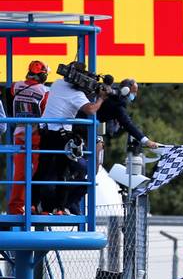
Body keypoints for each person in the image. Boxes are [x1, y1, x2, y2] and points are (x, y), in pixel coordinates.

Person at [34, 62, 105, 214]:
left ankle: (34, 204)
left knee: (42, 170)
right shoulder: (77, 95)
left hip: (45, 132)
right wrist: (101, 98)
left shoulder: (58, 84)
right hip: (62, 136)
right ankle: (59, 208)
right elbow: (91, 110)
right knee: (63, 172)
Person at [8, 61, 48, 214]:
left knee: (20, 173)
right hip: (36, 135)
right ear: (43, 75)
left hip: (19, 134)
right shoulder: (44, 92)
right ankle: (36, 205)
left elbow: (11, 94)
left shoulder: (15, 86)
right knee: (39, 171)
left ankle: (16, 208)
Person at [95, 77, 158, 165]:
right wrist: (146, 141)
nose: (135, 94)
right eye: (134, 91)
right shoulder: (118, 103)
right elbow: (128, 124)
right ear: (126, 90)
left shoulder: (114, 95)